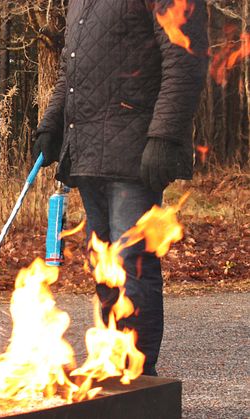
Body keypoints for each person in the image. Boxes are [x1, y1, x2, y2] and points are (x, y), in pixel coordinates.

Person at [34, 0, 208, 377]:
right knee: (104, 263)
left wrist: (163, 136)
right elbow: (71, 70)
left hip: (136, 151)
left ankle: (139, 379)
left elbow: (185, 60)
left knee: (133, 263)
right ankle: (114, 363)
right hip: (87, 152)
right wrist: (51, 124)